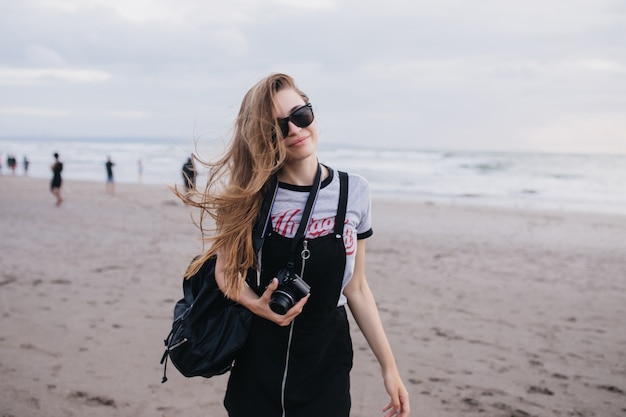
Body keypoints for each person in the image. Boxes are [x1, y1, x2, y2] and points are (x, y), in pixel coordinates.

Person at [175, 73, 410, 417]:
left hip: (325, 365)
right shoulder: (247, 196)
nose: (295, 130)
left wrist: (390, 369)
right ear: (263, 137)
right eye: (278, 127)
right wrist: (257, 305)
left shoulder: (354, 192)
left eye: (300, 115)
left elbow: (356, 288)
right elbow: (225, 274)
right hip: (258, 364)